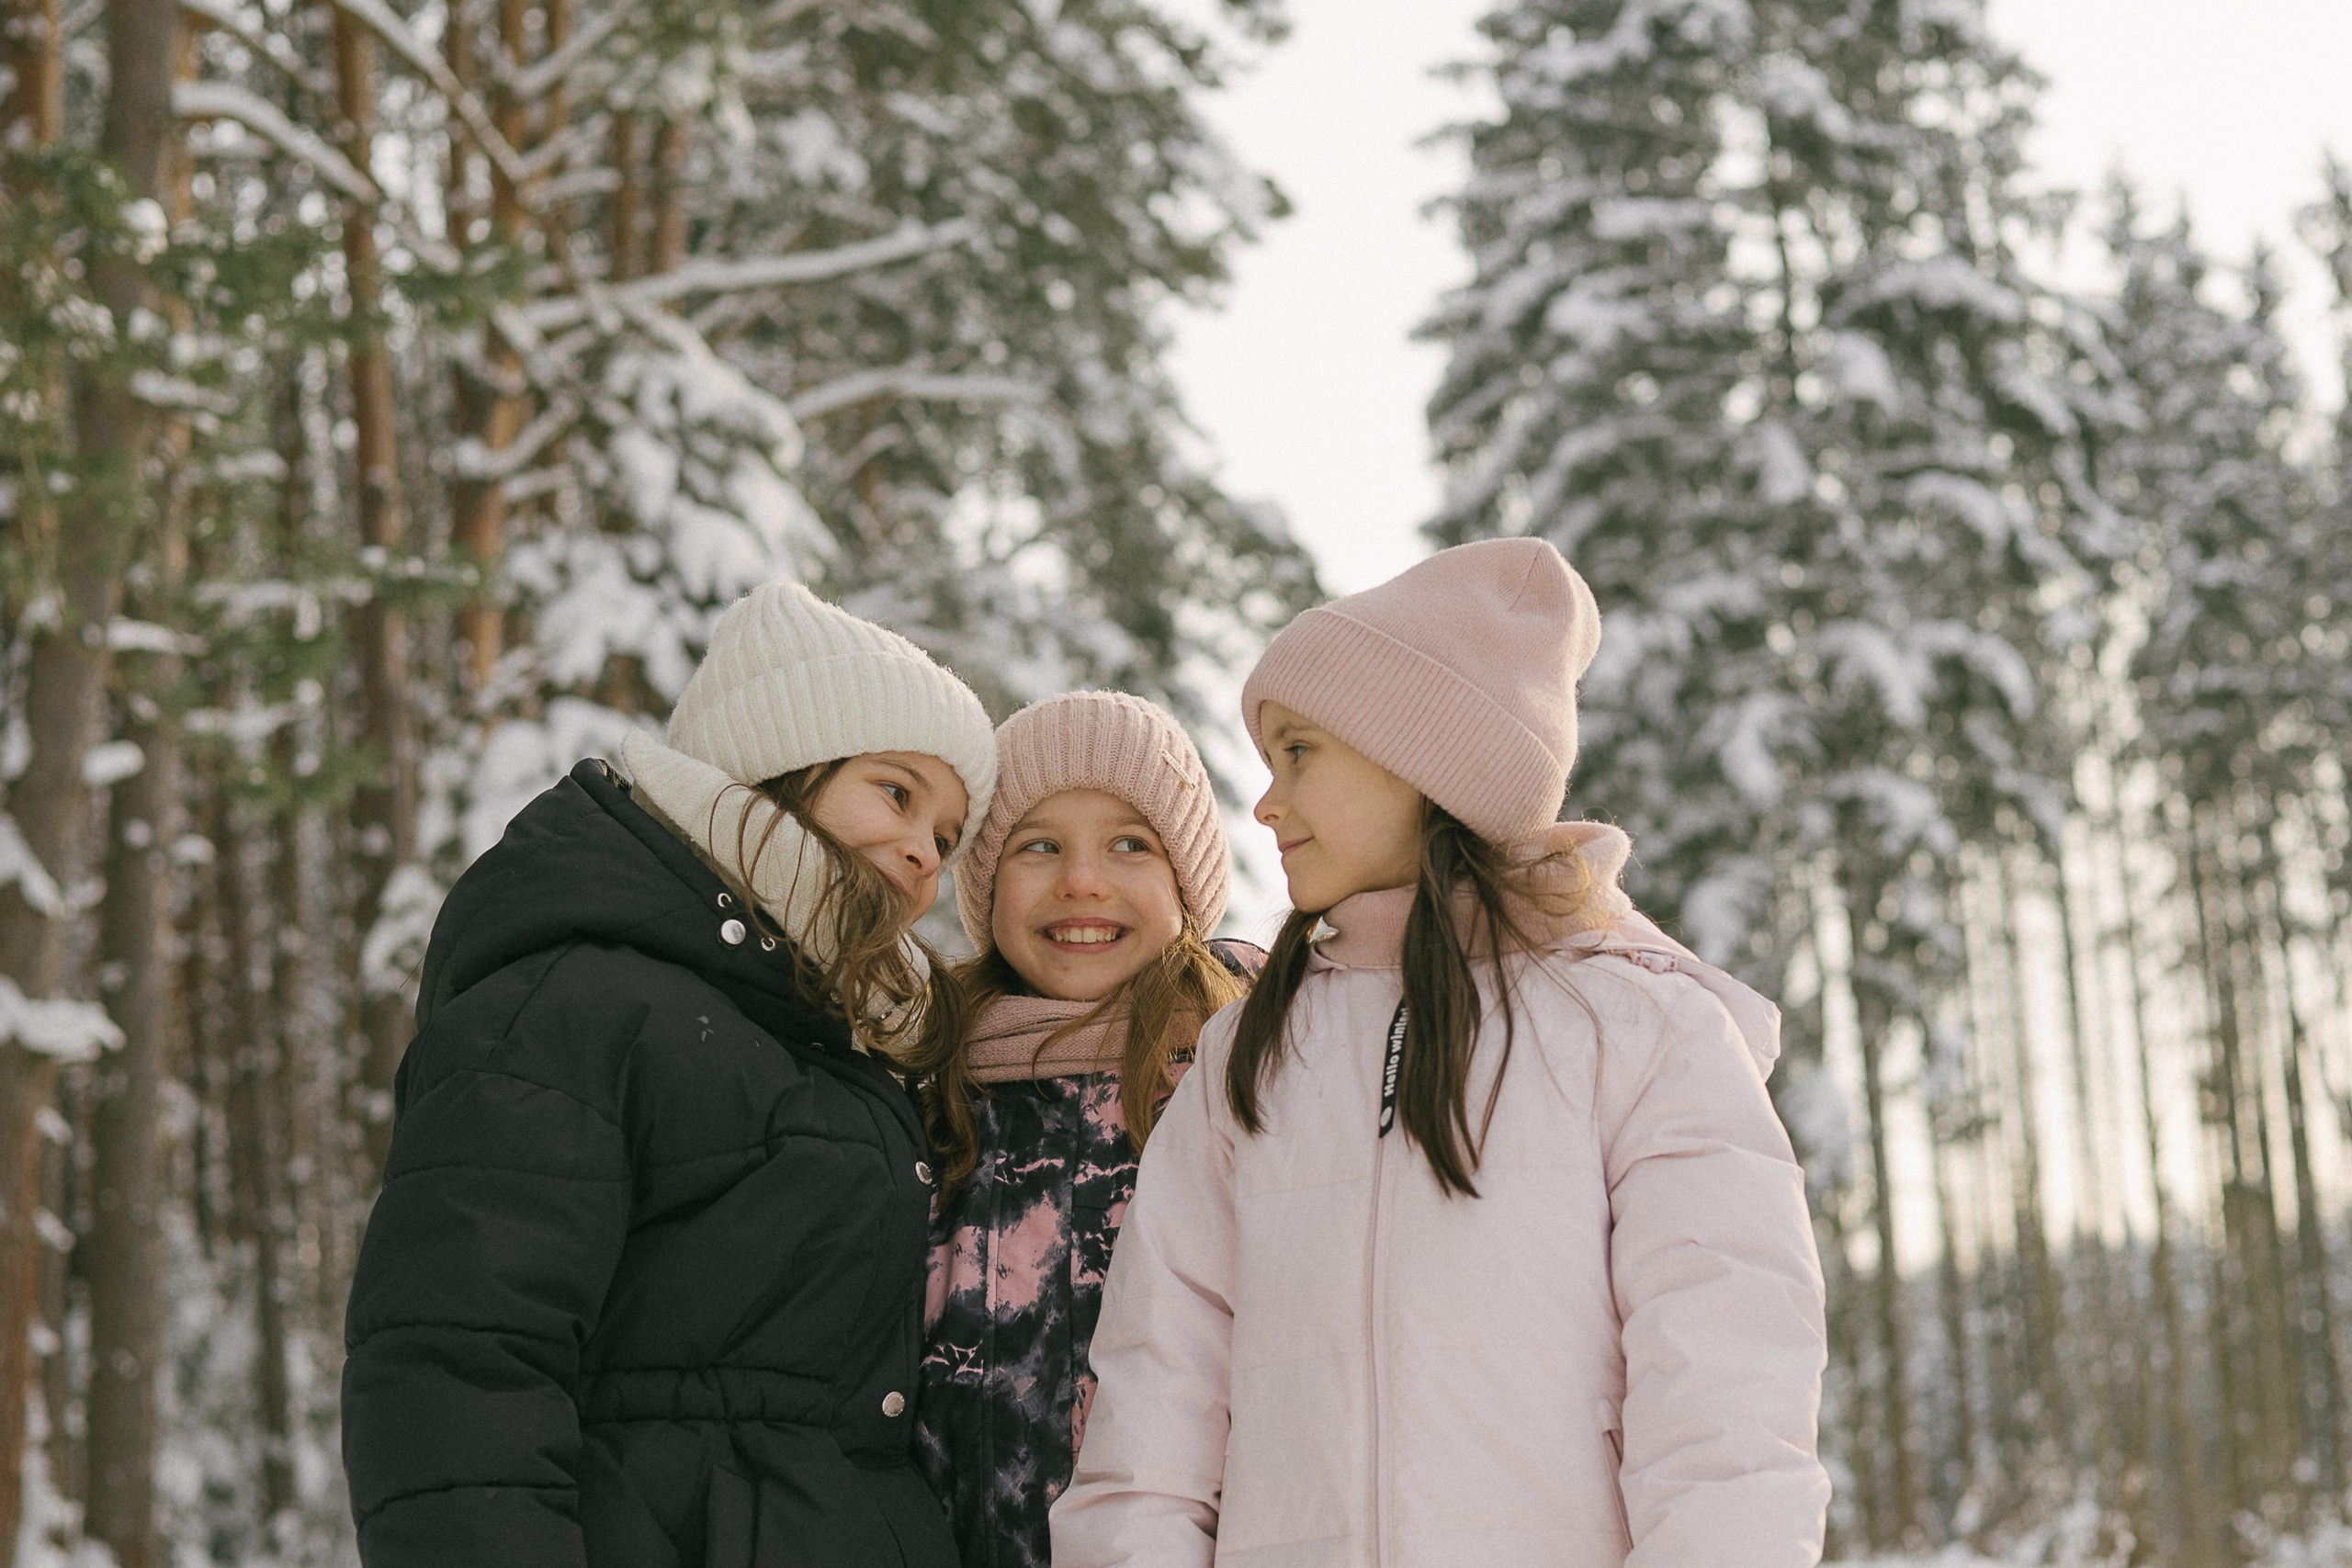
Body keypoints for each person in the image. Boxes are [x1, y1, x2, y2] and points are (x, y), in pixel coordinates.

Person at [1052, 539, 1830, 1568]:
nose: (1266, 803)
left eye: (1298, 753)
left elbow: (1727, 1415)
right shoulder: (1253, 1050)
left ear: (1422, 758)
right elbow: (1153, 1415)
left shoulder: (1641, 1030)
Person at [340, 581, 997, 1568]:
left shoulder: (855, 1051)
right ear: (774, 766)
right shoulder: (575, 1005)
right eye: (897, 793)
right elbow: (455, 1371)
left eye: (947, 837)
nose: (922, 855)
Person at [904, 692, 1263, 1568]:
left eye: (1130, 844)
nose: (1082, 881)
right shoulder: (923, 1078)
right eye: (1040, 845)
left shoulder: (1249, 1069)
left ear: (1187, 881)